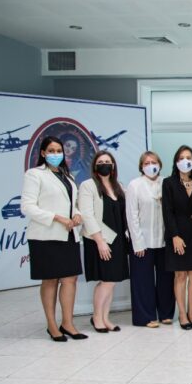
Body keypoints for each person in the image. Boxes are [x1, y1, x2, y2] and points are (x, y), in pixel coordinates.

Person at [20, 136, 87, 342]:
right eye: (52, 150)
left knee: (70, 279)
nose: (56, 154)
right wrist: (56, 218)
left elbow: (72, 203)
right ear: (43, 153)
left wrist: (77, 214)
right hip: (45, 235)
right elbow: (27, 206)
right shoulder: (34, 174)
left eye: (59, 150)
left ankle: (67, 323)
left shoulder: (68, 177)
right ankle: (51, 324)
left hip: (68, 235)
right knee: (50, 280)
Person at [79, 150, 130, 333]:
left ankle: (105, 318)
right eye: (101, 161)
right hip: (100, 239)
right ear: (95, 166)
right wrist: (100, 241)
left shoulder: (119, 186)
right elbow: (87, 214)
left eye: (108, 161)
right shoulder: (88, 185)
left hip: (118, 240)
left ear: (113, 165)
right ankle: (96, 317)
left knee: (113, 281)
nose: (105, 164)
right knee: (106, 280)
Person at [126, 151, 174, 328]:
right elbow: (132, 216)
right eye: (147, 162)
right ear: (141, 166)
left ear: (160, 164)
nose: (151, 165)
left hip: (164, 241)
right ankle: (145, 316)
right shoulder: (135, 185)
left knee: (165, 279)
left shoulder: (166, 183)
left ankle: (166, 313)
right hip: (142, 242)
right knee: (142, 281)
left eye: (154, 162)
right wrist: (137, 242)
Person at [162, 145, 192, 330]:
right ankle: (181, 314)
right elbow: (168, 212)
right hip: (177, 235)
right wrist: (175, 235)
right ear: (176, 162)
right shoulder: (169, 183)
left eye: (189, 157)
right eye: (181, 157)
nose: (185, 161)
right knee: (180, 275)